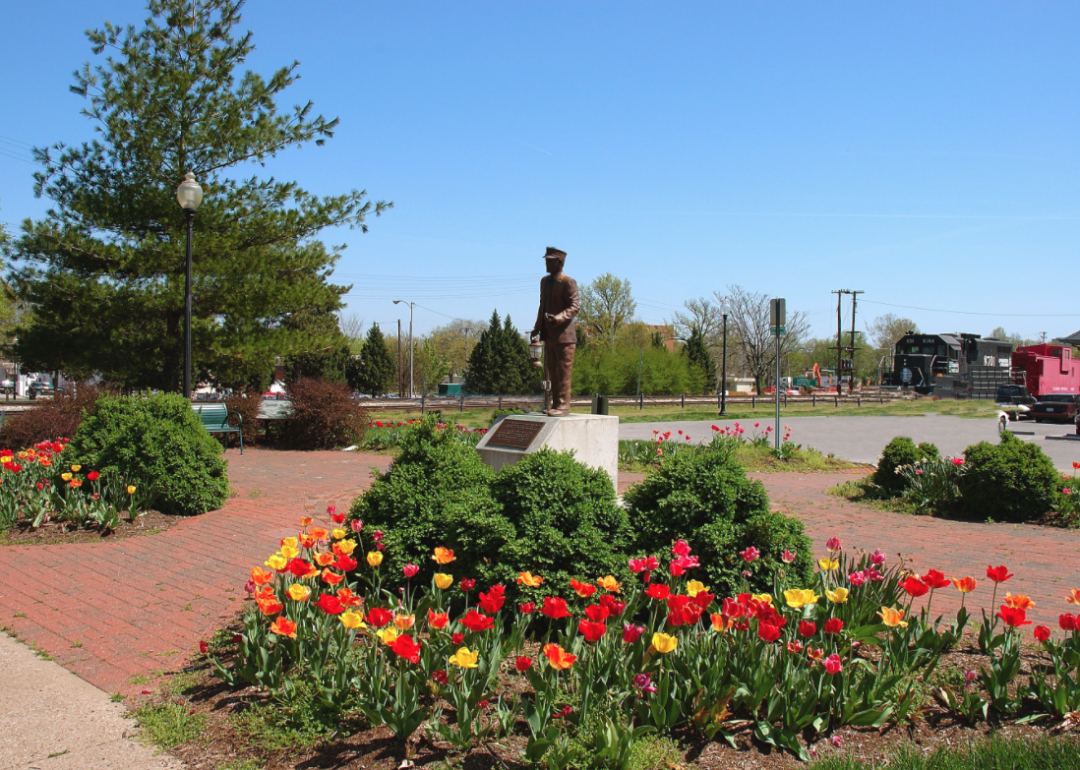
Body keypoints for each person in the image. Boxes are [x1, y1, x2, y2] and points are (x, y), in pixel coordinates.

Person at [531, 247, 579, 416]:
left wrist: (558, 318)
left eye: (550, 261)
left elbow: (574, 306)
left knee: (563, 371)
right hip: (549, 335)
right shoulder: (545, 282)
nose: (546, 263)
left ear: (559, 262)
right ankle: (555, 404)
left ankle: (563, 405)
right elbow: (542, 305)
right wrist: (537, 327)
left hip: (565, 336)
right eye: (546, 260)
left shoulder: (568, 281)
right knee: (552, 370)